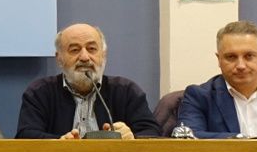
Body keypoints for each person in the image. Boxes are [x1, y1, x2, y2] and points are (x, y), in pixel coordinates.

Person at [16, 23, 159, 139]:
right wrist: (60, 144)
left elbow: (153, 133)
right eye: (74, 50)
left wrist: (132, 137)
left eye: (91, 49)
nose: (84, 57)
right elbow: (26, 135)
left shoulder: (126, 91)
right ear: (59, 59)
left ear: (103, 55)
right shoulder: (40, 92)